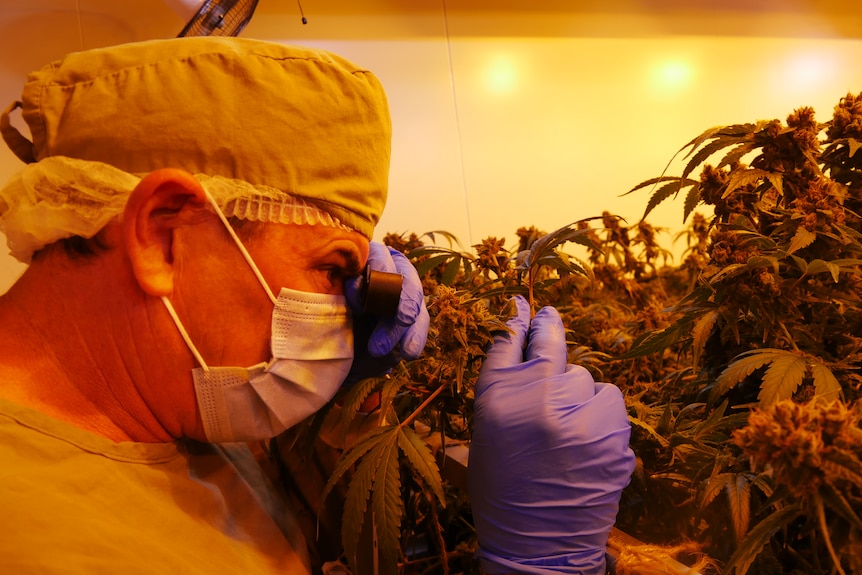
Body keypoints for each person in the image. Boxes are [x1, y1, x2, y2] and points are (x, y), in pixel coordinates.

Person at [0, 37, 634, 575]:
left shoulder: (176, 408)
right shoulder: (38, 540)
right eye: (332, 270)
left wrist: (330, 407)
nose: (345, 309)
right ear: (163, 235)